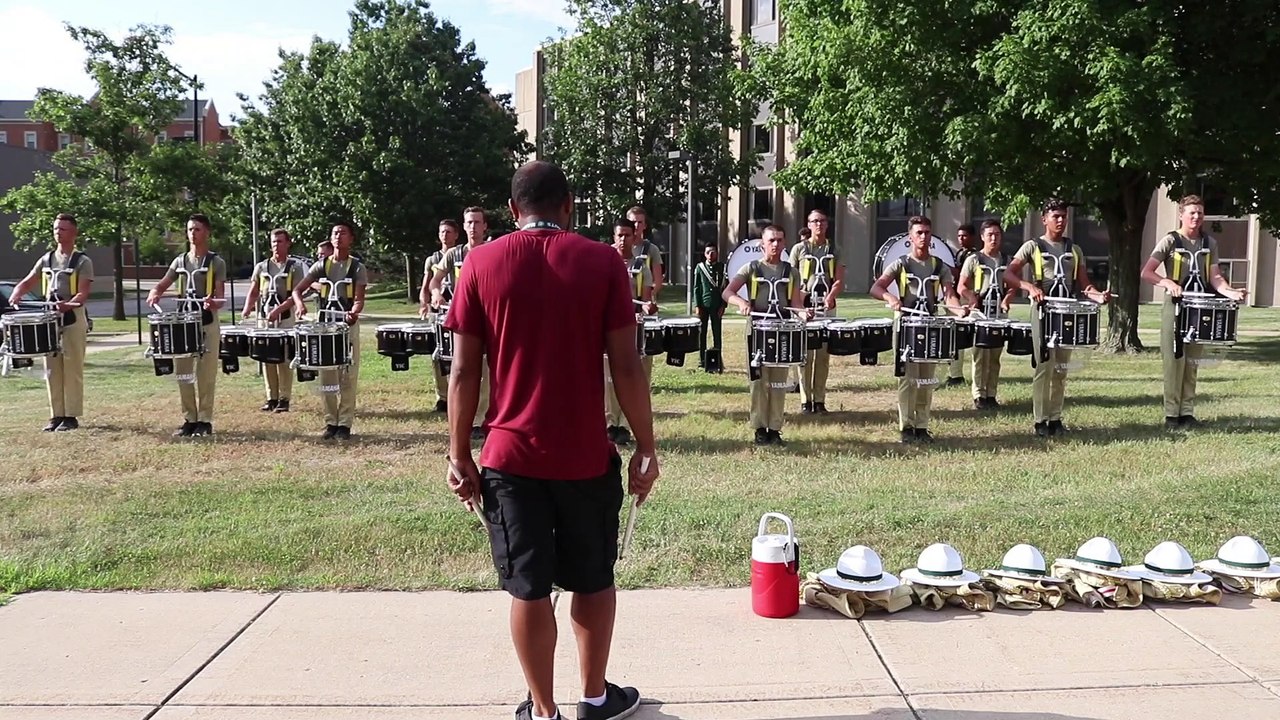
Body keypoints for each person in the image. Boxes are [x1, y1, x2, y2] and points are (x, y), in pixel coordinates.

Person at [444, 160, 659, 720]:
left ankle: (543, 711)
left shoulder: (479, 263)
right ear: (569, 206)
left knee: (528, 587)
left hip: (510, 458)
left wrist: (458, 454)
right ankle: (594, 697)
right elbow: (627, 366)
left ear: (512, 210)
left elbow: (463, 372)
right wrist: (646, 446)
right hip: (585, 456)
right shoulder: (603, 261)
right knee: (593, 578)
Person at [1005, 200, 1111, 437]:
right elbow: (1008, 273)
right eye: (1056, 216)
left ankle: (1055, 418)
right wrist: (1029, 287)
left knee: (1061, 369)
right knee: (1044, 367)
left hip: (1066, 314)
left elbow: (1085, 285)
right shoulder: (1032, 246)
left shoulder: (1074, 250)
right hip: (1043, 313)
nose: (1061, 221)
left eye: (1064, 216)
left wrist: (1098, 296)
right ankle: (1040, 420)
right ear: (1044, 219)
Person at [1140, 194, 1247, 428]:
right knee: (1174, 361)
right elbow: (1147, 272)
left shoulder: (1210, 243)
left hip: (1200, 308)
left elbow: (1215, 277)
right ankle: (1171, 415)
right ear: (1181, 215)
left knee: (1192, 362)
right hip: (1176, 307)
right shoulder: (1170, 241)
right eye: (1192, 212)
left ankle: (1186, 413)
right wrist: (1167, 282)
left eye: (1200, 212)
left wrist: (1231, 292)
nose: (1196, 217)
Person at [871, 215, 970, 444]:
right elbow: (876, 287)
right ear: (911, 237)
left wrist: (958, 311)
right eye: (919, 233)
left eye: (927, 233)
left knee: (927, 378)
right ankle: (907, 427)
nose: (923, 237)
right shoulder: (901, 264)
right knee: (908, 378)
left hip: (930, 324)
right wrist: (891, 298)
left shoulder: (939, 266)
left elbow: (949, 295)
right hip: (907, 324)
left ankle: (922, 426)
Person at [5, 213, 93, 431]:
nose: (58, 233)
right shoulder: (46, 259)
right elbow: (28, 281)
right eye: (55, 229)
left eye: (63, 229)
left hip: (73, 318)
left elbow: (83, 293)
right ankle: (56, 415)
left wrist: (68, 304)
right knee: (52, 369)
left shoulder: (82, 261)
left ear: (74, 232)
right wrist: (17, 292)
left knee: (72, 368)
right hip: (50, 320)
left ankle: (71, 416)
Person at [723, 225, 807, 446]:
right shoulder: (751, 268)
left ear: (785, 243)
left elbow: (796, 303)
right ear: (763, 244)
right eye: (771, 240)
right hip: (757, 330)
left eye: (779, 240)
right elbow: (727, 292)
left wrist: (803, 314)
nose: (775, 244)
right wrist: (741, 303)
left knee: (779, 383)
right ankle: (759, 428)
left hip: (782, 330)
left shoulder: (791, 272)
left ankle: (775, 429)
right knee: (758, 381)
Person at [146, 214, 228, 437]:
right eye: (190, 229)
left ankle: (205, 420)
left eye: (197, 229)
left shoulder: (216, 262)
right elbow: (163, 283)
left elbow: (220, 297)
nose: (193, 234)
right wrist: (155, 292)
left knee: (206, 374)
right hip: (184, 325)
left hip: (207, 322)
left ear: (207, 232)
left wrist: (212, 302)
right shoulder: (180, 262)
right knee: (183, 373)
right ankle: (189, 419)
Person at [291, 222, 368, 441]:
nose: (338, 236)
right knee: (327, 375)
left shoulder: (357, 268)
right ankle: (330, 422)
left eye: (343, 233)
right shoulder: (321, 265)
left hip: (346, 327)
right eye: (335, 233)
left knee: (348, 375)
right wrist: (300, 304)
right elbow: (298, 289)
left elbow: (359, 299)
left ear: (351, 239)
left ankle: (344, 424)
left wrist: (353, 312)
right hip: (325, 328)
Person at [431, 207, 491, 440]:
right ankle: (461, 418)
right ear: (464, 226)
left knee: (485, 371)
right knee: (462, 369)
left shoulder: (492, 251)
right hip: (462, 319)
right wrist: (436, 293)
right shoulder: (454, 254)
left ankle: (479, 420)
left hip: (486, 317)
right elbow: (435, 280)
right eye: (469, 222)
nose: (473, 227)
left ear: (485, 226)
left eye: (477, 222)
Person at [242, 228, 306, 413]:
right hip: (265, 317)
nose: (276, 245)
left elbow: (296, 294)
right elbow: (254, 290)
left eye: (280, 241)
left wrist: (279, 310)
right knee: (266, 356)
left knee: (284, 358)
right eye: (273, 242)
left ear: (288, 243)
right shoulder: (262, 267)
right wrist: (247, 307)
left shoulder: (294, 267)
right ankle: (272, 397)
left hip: (285, 318)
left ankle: (284, 398)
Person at [605, 218, 657, 446]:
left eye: (627, 235)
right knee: (608, 378)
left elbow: (645, 299)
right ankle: (609, 423)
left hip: (634, 328)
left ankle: (625, 426)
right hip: (609, 329)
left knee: (632, 375)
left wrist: (646, 308)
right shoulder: (604, 263)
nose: (623, 240)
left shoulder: (641, 267)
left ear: (634, 238)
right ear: (613, 237)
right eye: (619, 235)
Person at [789, 208, 845, 414]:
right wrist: (799, 300)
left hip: (826, 306)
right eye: (815, 221)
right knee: (805, 355)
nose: (819, 224)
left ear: (827, 224)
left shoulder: (834, 249)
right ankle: (806, 400)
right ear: (809, 224)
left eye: (822, 221)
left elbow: (839, 279)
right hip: (805, 306)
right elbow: (789, 278)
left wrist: (831, 296)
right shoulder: (799, 249)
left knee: (823, 355)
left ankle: (819, 400)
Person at [957, 220, 1015, 410]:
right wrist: (971, 298)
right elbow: (961, 286)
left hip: (998, 313)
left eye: (997, 234)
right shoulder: (974, 259)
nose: (993, 238)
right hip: (980, 313)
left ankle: (991, 394)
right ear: (982, 237)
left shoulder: (1007, 261)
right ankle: (979, 395)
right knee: (980, 355)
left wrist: (1007, 300)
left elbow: (1013, 286)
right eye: (990, 234)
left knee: (995, 356)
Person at [419, 218, 460, 413]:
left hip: (457, 307)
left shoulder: (460, 254)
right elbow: (427, 284)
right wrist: (424, 303)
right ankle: (442, 396)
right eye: (442, 232)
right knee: (438, 353)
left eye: (448, 232)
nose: (444, 235)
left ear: (456, 235)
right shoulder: (432, 259)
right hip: (439, 310)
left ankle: (457, 393)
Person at [944, 223, 978, 388]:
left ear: (972, 237)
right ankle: (954, 373)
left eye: (964, 236)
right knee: (953, 338)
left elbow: (963, 274)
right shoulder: (959, 253)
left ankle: (957, 375)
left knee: (960, 338)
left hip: (966, 299)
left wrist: (947, 267)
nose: (961, 239)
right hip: (955, 299)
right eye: (959, 236)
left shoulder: (973, 256)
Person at [691, 240, 726, 372]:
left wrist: (723, 305)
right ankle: (702, 360)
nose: (711, 255)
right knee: (702, 333)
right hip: (703, 305)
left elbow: (725, 288)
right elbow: (696, 288)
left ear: (717, 253)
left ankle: (717, 361)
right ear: (704, 254)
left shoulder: (722, 267)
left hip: (717, 305)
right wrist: (697, 305)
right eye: (708, 252)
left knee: (717, 333)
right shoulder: (700, 268)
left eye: (713, 252)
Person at [626, 206, 664, 297]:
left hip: (643, 301)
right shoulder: (616, 249)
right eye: (633, 222)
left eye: (640, 222)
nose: (636, 225)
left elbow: (658, 281)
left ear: (645, 225)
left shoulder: (652, 249)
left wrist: (650, 297)